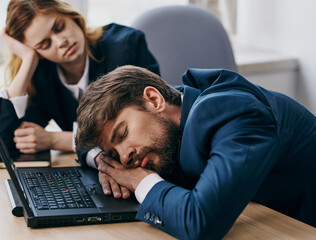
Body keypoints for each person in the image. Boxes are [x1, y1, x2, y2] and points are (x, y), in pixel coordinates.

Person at [75, 65, 316, 239]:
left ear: (153, 99)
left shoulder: (235, 114)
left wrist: (142, 182)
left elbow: (201, 222)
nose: (124, 157)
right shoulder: (175, 104)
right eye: (115, 153)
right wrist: (104, 162)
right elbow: (81, 142)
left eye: (122, 134)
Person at [0, 0, 159, 168]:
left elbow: (149, 126)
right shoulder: (43, 76)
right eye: (45, 44)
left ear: (70, 15)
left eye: (59, 27)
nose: (61, 42)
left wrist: (56, 140)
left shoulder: (126, 46)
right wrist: (28, 61)